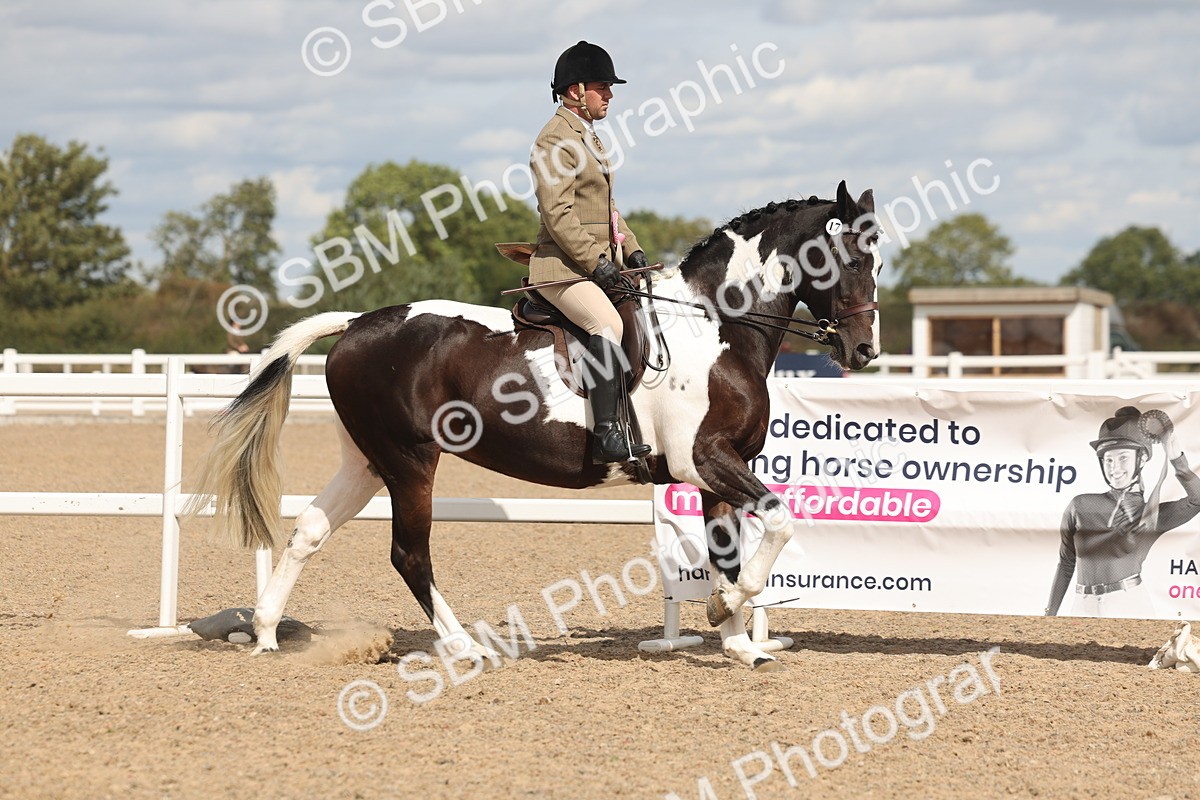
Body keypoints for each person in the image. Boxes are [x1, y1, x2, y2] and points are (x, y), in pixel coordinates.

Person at [528, 41, 651, 464]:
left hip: (593, 266)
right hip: (560, 269)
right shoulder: (555, 141)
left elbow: (607, 210)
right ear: (577, 90)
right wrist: (595, 262)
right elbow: (557, 213)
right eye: (604, 87)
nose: (611, 95)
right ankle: (607, 434)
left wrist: (632, 251)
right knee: (607, 324)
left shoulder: (587, 137)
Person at [1046, 406, 1200, 617]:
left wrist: (1176, 459)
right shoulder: (1079, 505)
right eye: (1108, 460)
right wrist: (1049, 615)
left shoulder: (1151, 515)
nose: (1114, 468)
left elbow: (1197, 500)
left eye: (1123, 458)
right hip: (1082, 606)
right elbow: (1066, 563)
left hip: (1128, 604)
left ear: (1142, 459)